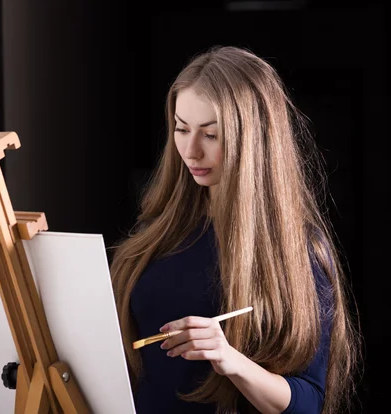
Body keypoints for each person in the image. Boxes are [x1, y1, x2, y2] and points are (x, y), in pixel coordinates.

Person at [109, 45, 362, 414]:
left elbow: (308, 401)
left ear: (254, 139)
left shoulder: (298, 249)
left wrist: (230, 359)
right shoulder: (160, 227)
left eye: (210, 135)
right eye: (181, 129)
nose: (190, 151)